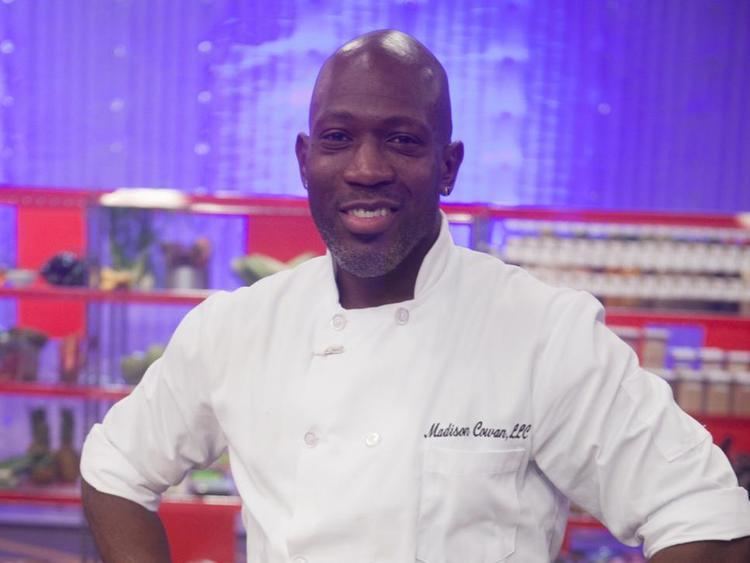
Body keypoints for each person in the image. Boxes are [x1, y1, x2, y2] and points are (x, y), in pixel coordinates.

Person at [80, 30, 750, 562]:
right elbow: (115, 466)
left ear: (448, 165)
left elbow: (709, 516)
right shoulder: (237, 328)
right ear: (305, 159)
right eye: (339, 139)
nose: (366, 169)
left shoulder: (543, 333)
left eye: (401, 140)